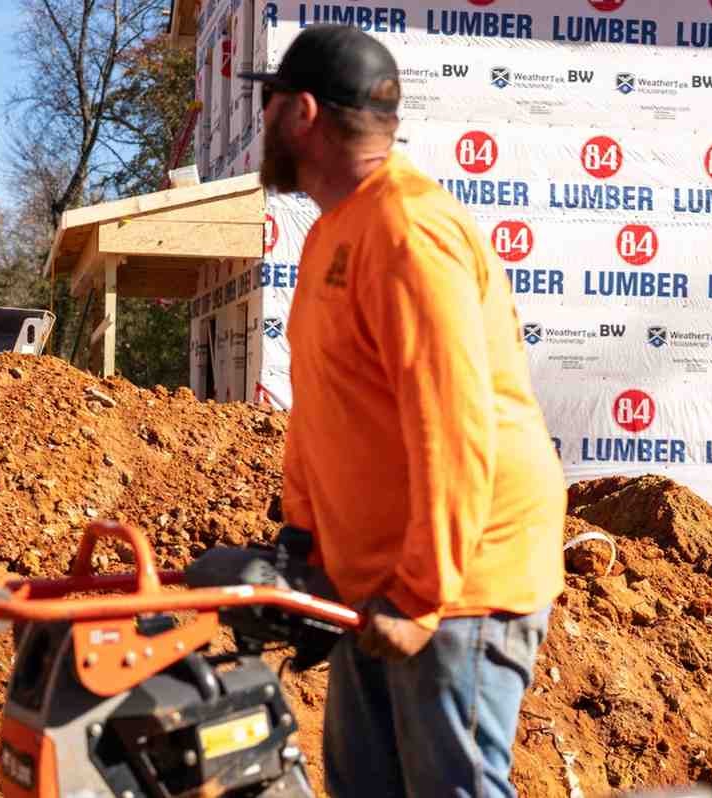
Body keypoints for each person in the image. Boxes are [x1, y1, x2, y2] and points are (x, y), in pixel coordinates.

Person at [239, 25, 567, 798]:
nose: (261, 120)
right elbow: (325, 406)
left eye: (269, 102)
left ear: (302, 114)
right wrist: (304, 538)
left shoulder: (408, 230)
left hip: (462, 582)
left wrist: (422, 596)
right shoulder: (332, 233)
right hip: (380, 580)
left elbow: (452, 422)